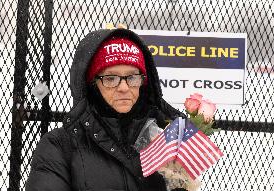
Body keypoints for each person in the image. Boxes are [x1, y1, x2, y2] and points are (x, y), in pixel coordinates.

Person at [26, 27, 186, 191]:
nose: (124, 87)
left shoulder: (164, 140)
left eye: (132, 77)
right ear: (93, 84)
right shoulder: (60, 146)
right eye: (110, 78)